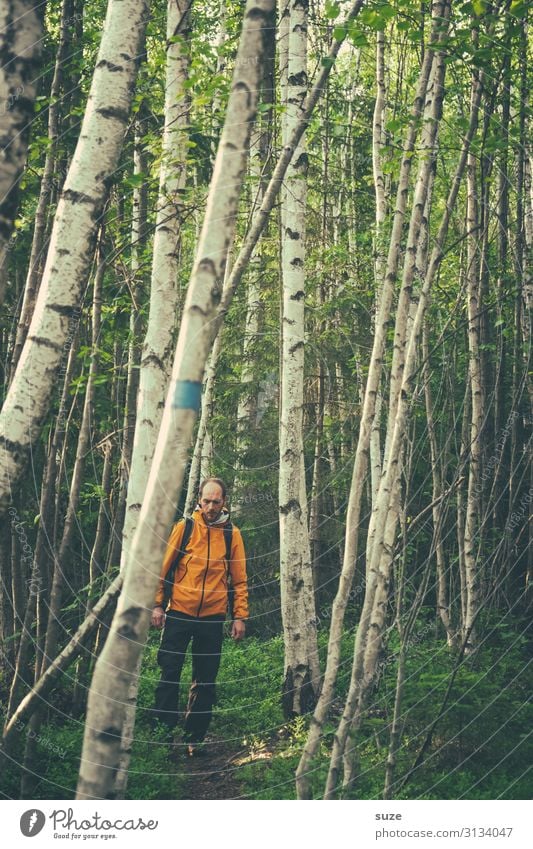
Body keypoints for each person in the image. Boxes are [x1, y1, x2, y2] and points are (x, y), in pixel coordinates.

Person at [150, 477, 248, 756]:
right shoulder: (185, 528)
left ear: (224, 502)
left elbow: (239, 580)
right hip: (179, 612)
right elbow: (162, 568)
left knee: (205, 680)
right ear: (199, 500)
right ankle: (164, 738)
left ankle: (195, 739)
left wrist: (239, 616)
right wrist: (157, 605)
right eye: (207, 500)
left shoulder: (232, 534)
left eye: (217, 501)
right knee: (169, 675)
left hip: (212, 618)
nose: (211, 506)